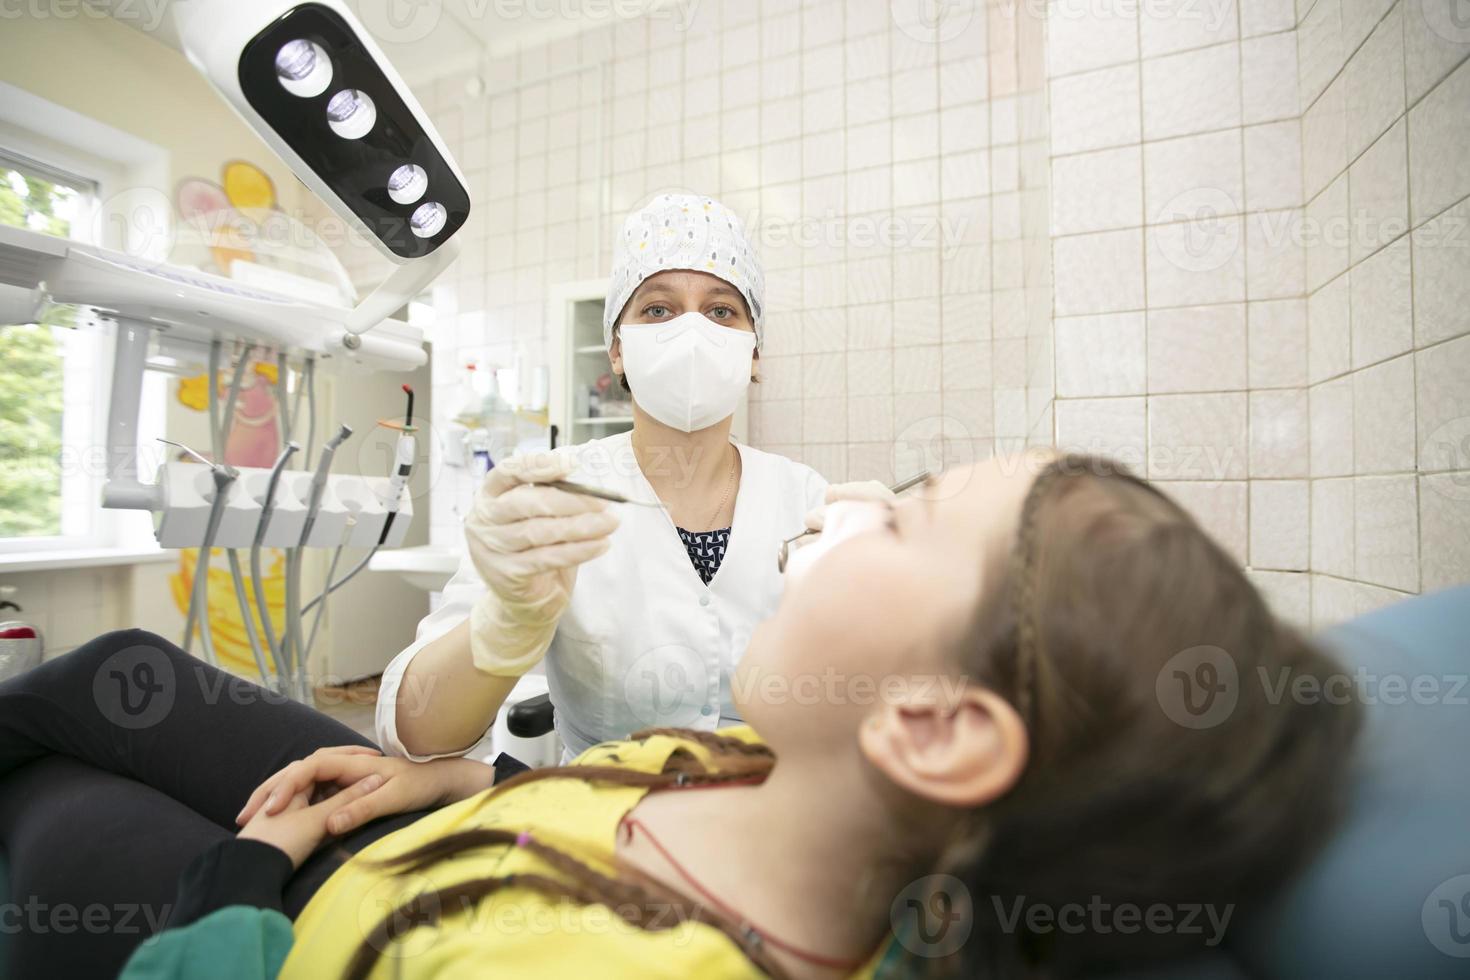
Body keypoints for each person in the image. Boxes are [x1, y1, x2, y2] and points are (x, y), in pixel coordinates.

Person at [0, 452, 1360, 979]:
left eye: (906, 517)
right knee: (127, 664)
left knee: (59, 810)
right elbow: (527, 747)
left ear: (936, 728)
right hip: (454, 832)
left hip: (283, 923)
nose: (843, 513)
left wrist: (241, 880)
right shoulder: (751, 763)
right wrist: (468, 773)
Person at [376, 193, 891, 765]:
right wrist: (504, 624)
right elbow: (416, 733)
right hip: (599, 826)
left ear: (754, 353)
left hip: (777, 814)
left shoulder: (807, 500)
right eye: (658, 310)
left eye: (722, 311)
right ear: (617, 350)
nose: (693, 330)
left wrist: (894, 597)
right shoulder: (554, 498)